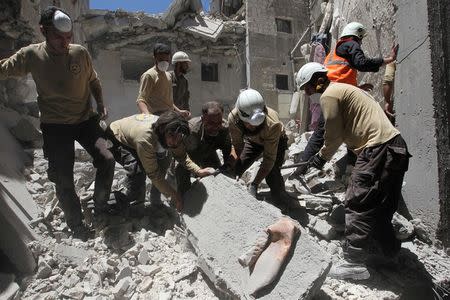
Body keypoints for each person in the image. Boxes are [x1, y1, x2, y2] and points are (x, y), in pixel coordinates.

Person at [0, 6, 115, 241]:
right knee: (63, 177)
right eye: (58, 38)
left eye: (68, 37)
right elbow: (4, 69)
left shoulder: (80, 53)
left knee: (107, 158)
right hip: (55, 127)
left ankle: (101, 206)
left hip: (85, 120)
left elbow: (94, 80)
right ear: (43, 31)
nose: (64, 43)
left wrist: (101, 103)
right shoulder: (31, 55)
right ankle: (76, 223)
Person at [296, 62, 411, 280]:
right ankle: (389, 253)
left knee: (358, 200)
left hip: (377, 149)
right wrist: (349, 168)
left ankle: (353, 263)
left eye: (308, 88)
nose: (308, 93)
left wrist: (320, 159)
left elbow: (332, 134)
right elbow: (354, 133)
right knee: (382, 205)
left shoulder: (330, 94)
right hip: (396, 147)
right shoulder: (349, 91)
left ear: (318, 80)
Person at [292, 22, 399, 176]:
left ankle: (346, 170)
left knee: (342, 130)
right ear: (357, 36)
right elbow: (361, 63)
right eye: (360, 40)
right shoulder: (350, 44)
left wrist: (357, 89)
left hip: (334, 93)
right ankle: (302, 170)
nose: (360, 44)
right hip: (334, 95)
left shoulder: (334, 52)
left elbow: (340, 77)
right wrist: (388, 60)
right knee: (323, 134)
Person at [106, 111, 215, 211]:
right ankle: (106, 203)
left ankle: (154, 201)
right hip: (116, 136)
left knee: (165, 160)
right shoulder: (145, 139)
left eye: (179, 137)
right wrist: (175, 195)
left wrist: (198, 171)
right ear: (162, 131)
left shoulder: (173, 132)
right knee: (137, 174)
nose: (175, 142)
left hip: (136, 136)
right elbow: (153, 174)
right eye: (172, 137)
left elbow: (181, 156)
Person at [228, 89, 295, 209]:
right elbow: (237, 146)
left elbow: (268, 160)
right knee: (238, 166)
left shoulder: (273, 124)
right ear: (241, 116)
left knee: (272, 172)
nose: (253, 127)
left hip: (276, 140)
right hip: (253, 141)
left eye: (257, 124)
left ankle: (281, 202)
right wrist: (231, 166)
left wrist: (254, 184)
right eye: (249, 124)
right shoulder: (233, 118)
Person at [176, 101, 233, 194]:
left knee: (219, 175)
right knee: (182, 173)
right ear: (203, 119)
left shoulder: (224, 129)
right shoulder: (191, 130)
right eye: (210, 123)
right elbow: (181, 156)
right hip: (188, 156)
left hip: (208, 153)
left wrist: (228, 169)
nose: (215, 127)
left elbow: (228, 153)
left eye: (218, 122)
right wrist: (198, 171)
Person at [136, 43, 190, 118]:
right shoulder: (149, 75)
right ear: (154, 58)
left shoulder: (168, 76)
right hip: (156, 117)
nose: (164, 62)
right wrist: (147, 116)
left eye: (167, 60)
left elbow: (168, 102)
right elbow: (141, 100)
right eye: (161, 60)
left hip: (169, 116)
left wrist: (179, 111)